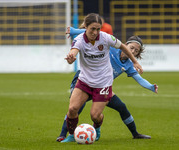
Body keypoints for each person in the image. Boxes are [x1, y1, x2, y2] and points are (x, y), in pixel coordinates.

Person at [61, 13, 143, 143]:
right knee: (72, 109)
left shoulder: (106, 38)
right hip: (85, 80)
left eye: (98, 29)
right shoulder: (79, 40)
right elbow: (74, 52)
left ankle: (97, 127)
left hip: (103, 83)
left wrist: (135, 62)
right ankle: (71, 135)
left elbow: (123, 47)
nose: (95, 32)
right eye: (92, 29)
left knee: (95, 116)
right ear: (86, 27)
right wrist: (71, 58)